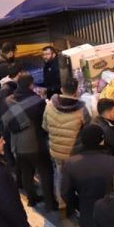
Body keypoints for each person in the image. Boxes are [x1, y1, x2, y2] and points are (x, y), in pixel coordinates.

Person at [3, 72, 57, 209]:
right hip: (36, 144)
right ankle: (50, 203)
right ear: (31, 85)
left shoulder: (8, 100)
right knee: (45, 172)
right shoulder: (37, 101)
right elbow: (45, 123)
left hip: (17, 144)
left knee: (26, 172)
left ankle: (32, 199)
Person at [43, 77, 90, 205]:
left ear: (62, 89)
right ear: (77, 91)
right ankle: (76, 203)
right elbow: (88, 131)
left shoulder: (49, 106)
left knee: (59, 175)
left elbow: (45, 127)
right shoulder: (82, 110)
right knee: (76, 177)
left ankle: (61, 203)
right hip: (74, 152)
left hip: (56, 151)